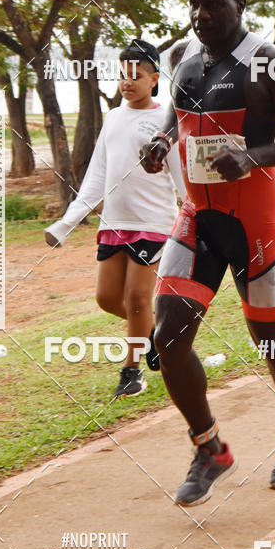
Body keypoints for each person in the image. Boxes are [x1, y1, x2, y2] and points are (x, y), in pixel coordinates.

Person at [139, 0, 275, 506]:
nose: (200, 14)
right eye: (194, 3)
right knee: (168, 339)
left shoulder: (266, 64)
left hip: (255, 222)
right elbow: (175, 117)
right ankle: (209, 447)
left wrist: (254, 157)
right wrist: (160, 141)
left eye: (213, 3)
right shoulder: (182, 59)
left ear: (240, 4)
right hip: (198, 216)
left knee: (270, 338)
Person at [44, 40, 185, 398]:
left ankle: (132, 372)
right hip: (114, 225)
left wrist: (194, 213)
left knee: (138, 298)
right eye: (122, 75)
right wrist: (66, 223)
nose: (127, 82)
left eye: (135, 76)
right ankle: (155, 334)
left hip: (153, 224)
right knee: (107, 299)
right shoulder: (113, 119)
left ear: (154, 79)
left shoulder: (164, 121)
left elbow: (180, 175)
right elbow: (96, 177)